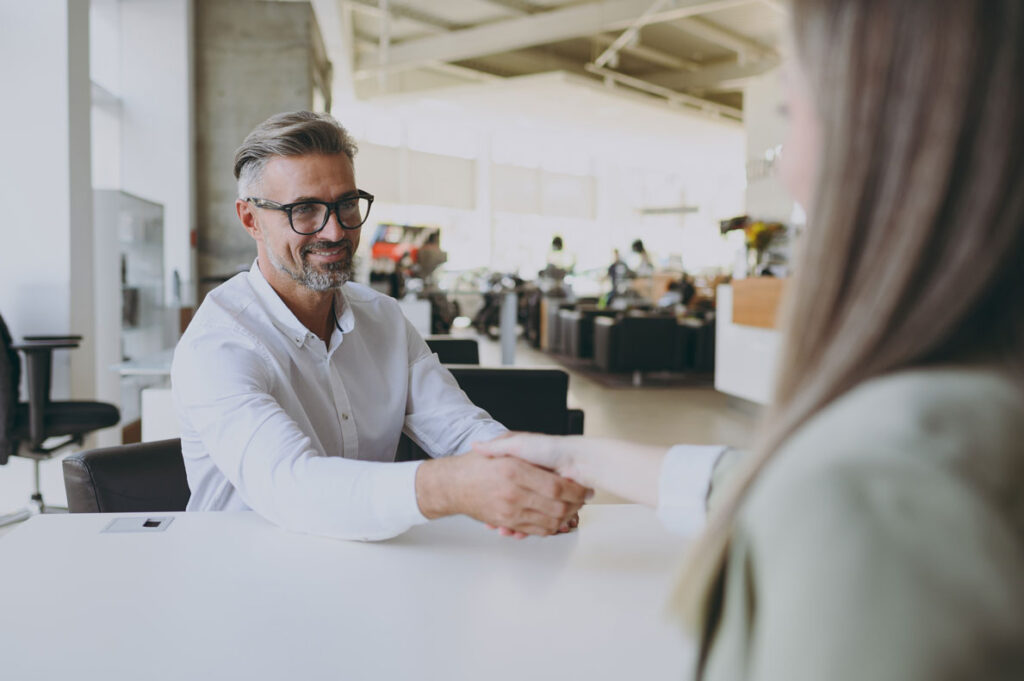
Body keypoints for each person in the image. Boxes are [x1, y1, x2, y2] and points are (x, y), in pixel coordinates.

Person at [478, 0, 1024, 678]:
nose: (784, 164)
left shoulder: (867, 488)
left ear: (873, 134)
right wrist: (575, 454)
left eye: (790, 112)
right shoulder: (966, 413)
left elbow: (826, 496)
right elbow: (754, 483)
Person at [172, 111, 587, 541]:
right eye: (305, 210)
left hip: (369, 568)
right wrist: (451, 487)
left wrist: (523, 471)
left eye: (346, 204)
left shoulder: (383, 318)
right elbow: (292, 485)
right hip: (243, 582)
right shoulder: (218, 345)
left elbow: (460, 428)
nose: (335, 231)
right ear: (250, 219)